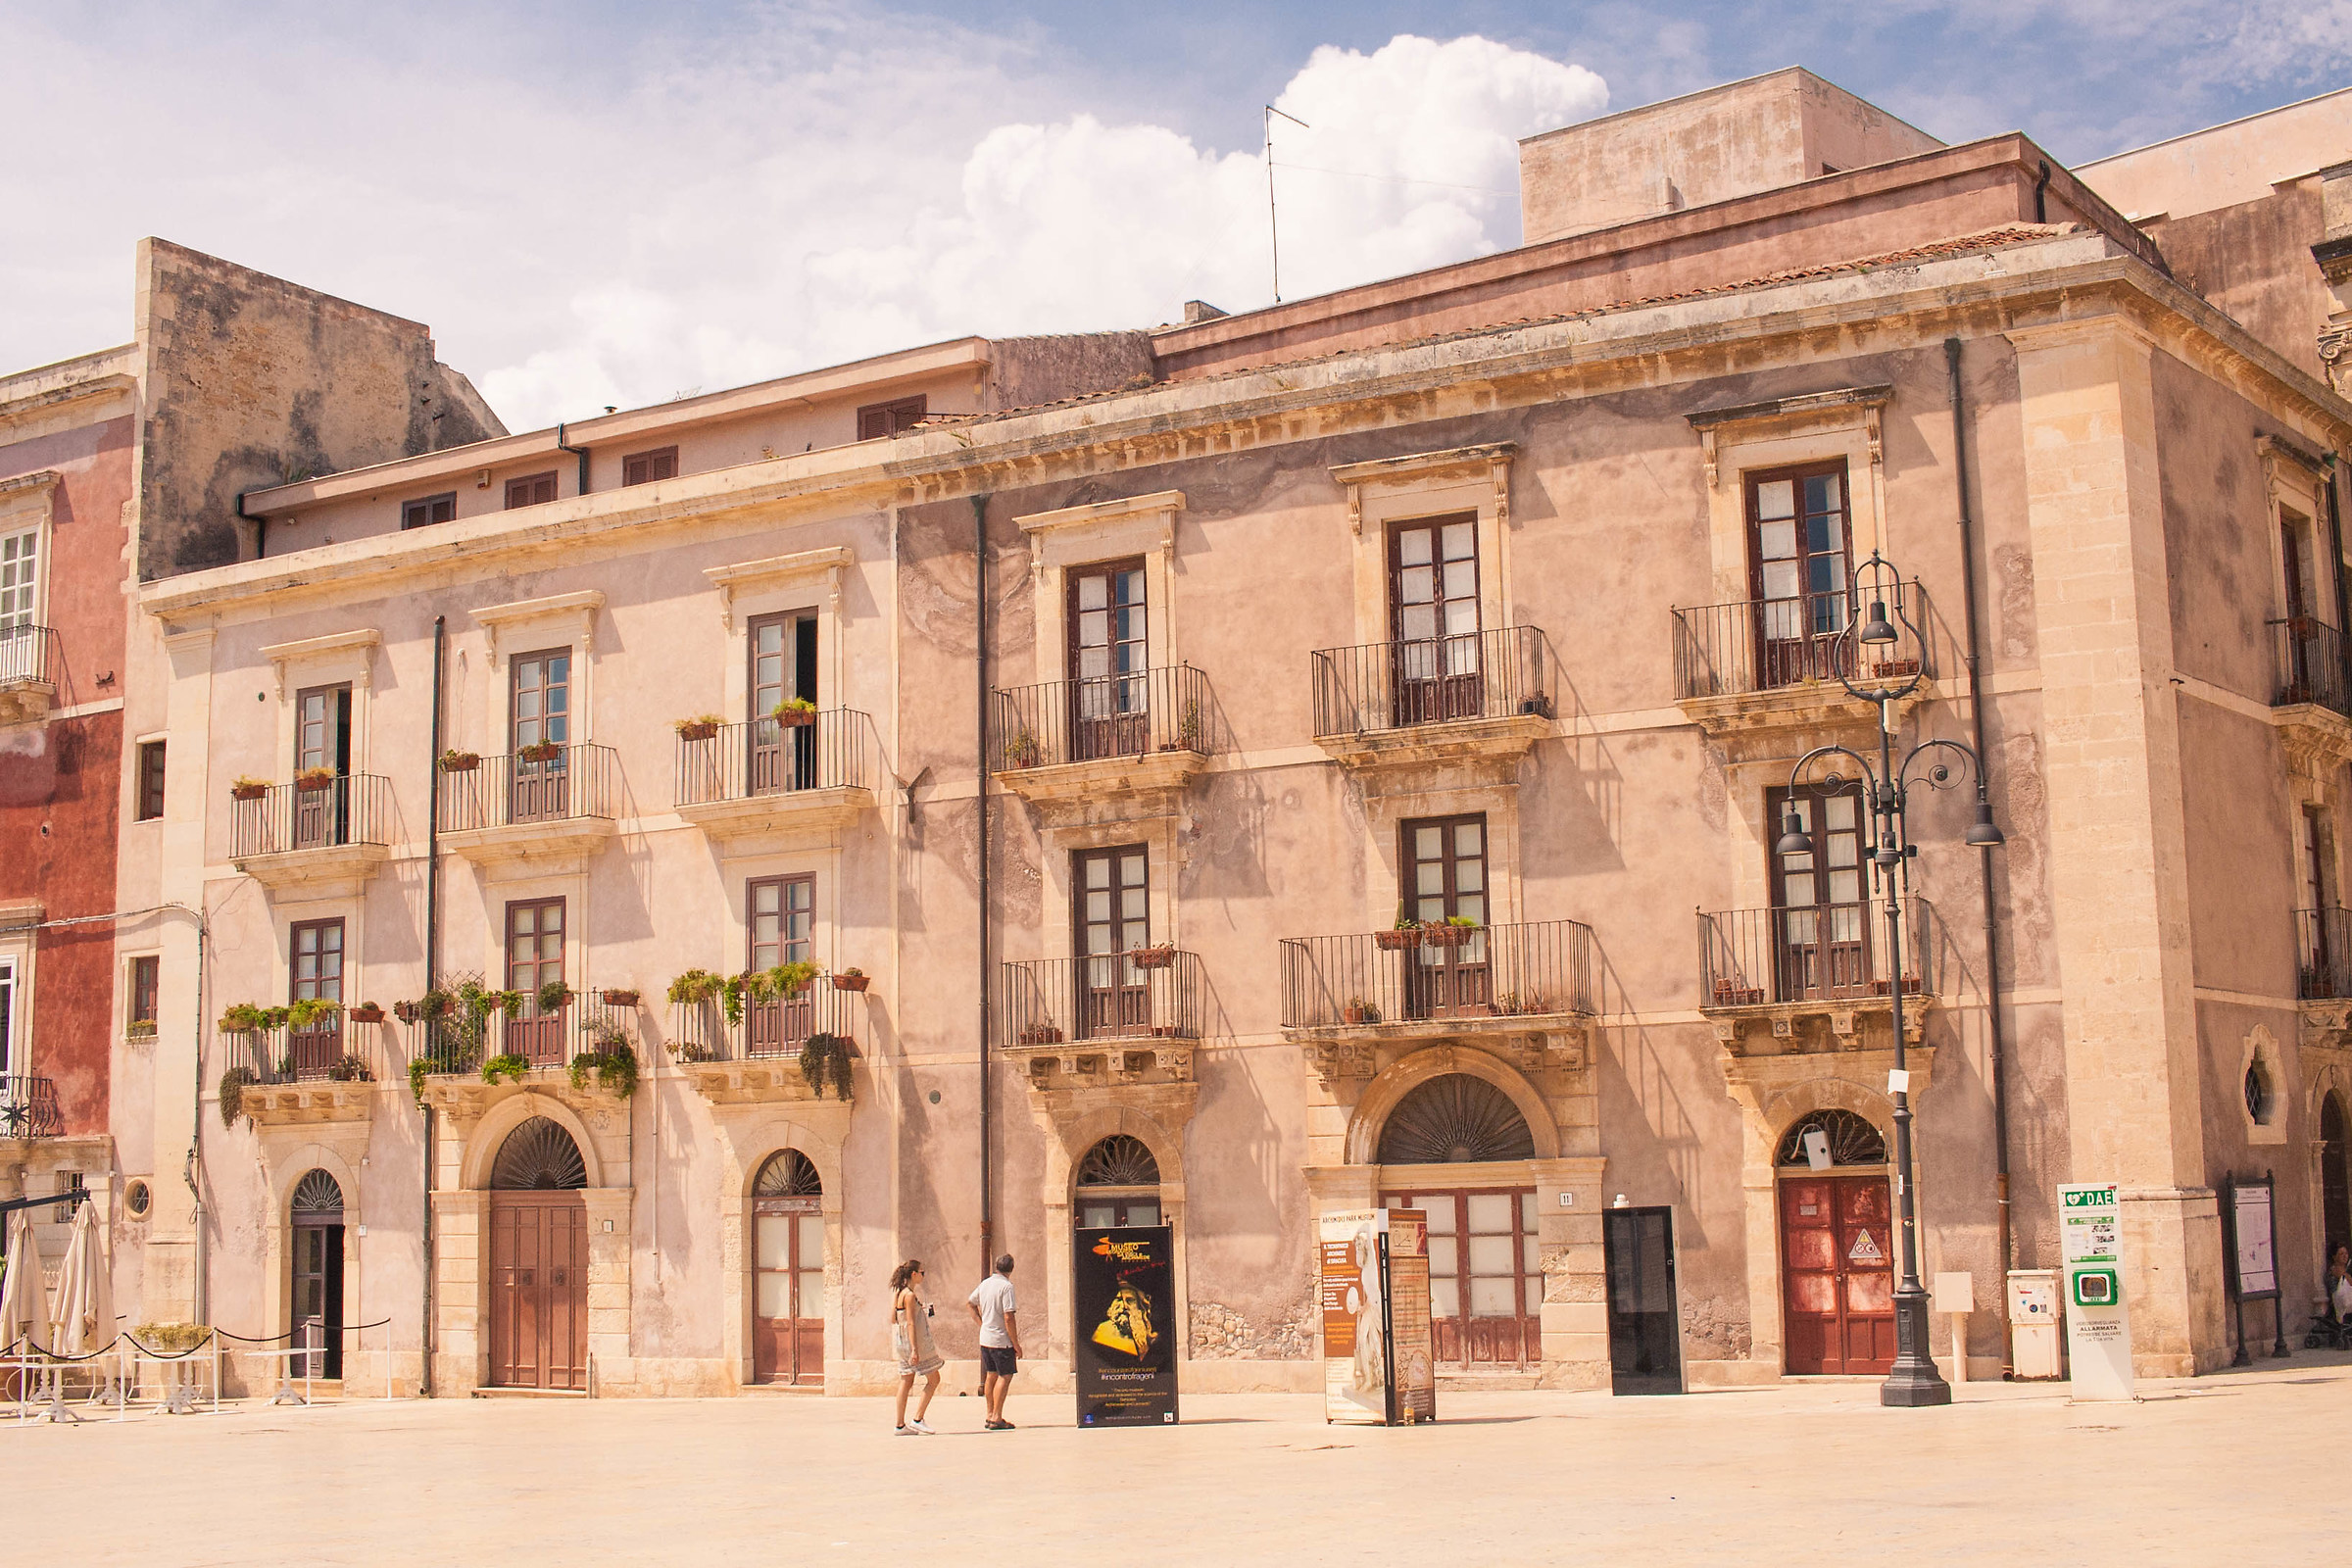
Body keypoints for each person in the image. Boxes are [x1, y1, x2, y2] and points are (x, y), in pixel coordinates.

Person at [967, 1253, 1020, 1431]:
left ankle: (989, 1414)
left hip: (986, 1338)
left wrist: (982, 1324)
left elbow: (970, 1303)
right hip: (1001, 1340)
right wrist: (1016, 1343)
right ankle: (997, 1416)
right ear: (1011, 1269)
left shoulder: (985, 1284)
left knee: (991, 1375)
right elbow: (1008, 1316)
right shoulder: (1006, 1287)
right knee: (1005, 1376)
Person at [890, 1259, 943, 1435]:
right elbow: (911, 1323)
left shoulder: (899, 1293)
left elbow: (894, 1319)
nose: (923, 1276)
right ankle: (918, 1419)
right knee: (934, 1379)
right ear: (914, 1274)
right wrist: (915, 1349)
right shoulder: (910, 1295)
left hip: (901, 1342)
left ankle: (899, 1424)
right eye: (922, 1272)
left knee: (906, 1381)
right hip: (916, 1343)